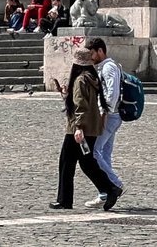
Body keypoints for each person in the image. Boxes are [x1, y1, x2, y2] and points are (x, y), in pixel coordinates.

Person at [49, 47, 120, 211]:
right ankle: (110, 188)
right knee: (87, 163)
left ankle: (65, 200)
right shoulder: (91, 78)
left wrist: (78, 127)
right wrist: (67, 94)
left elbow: (81, 105)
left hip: (79, 128)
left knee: (66, 162)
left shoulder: (80, 80)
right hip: (91, 127)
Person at [83, 37, 124, 208]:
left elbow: (112, 94)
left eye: (92, 53)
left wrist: (104, 113)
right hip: (112, 115)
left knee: (94, 153)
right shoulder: (103, 67)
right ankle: (105, 193)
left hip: (110, 116)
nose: (91, 57)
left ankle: (115, 185)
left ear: (100, 51)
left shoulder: (109, 67)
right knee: (105, 154)